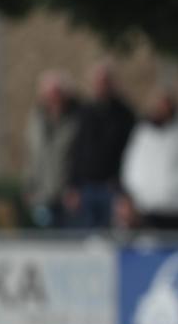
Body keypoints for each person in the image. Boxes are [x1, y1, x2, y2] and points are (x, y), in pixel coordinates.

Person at [119, 87, 178, 230]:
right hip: (147, 206)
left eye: (165, 105)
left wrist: (170, 190)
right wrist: (136, 193)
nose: (161, 109)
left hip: (177, 207)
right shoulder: (143, 133)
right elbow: (132, 166)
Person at [65, 61, 135, 228]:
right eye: (98, 82)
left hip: (112, 188)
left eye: (105, 82)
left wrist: (123, 189)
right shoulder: (84, 113)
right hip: (85, 187)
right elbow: (76, 151)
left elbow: (130, 154)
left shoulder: (125, 115)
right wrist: (73, 185)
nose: (101, 86)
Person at [23, 70, 80, 228]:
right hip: (41, 195)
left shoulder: (76, 120)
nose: (52, 98)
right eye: (48, 94)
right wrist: (28, 185)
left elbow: (80, 157)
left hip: (66, 195)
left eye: (56, 94)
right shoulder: (36, 119)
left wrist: (75, 187)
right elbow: (31, 155)